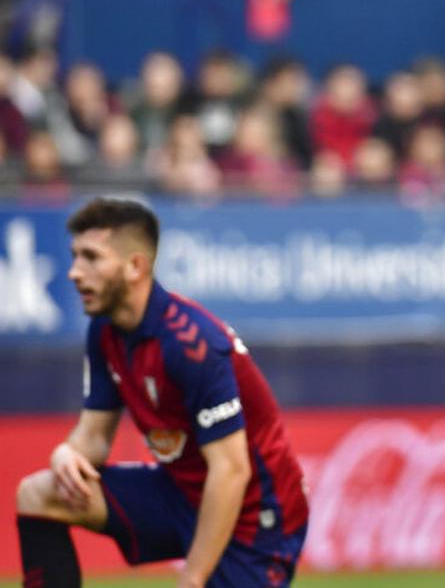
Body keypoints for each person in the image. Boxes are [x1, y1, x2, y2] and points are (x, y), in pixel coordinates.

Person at [14, 198, 309, 588]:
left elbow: (231, 470)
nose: (73, 272)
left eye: (91, 258)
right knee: (38, 494)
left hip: (253, 515)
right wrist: (68, 451)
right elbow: (95, 436)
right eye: (74, 257)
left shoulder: (191, 344)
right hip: (179, 493)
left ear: (135, 266)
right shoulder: (104, 330)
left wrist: (193, 576)